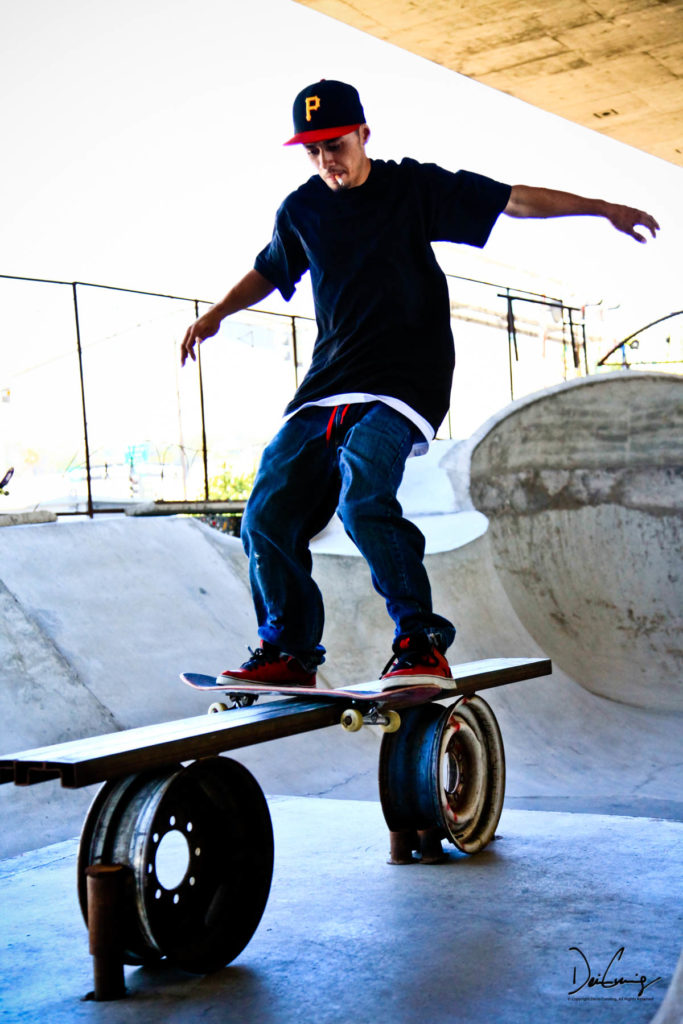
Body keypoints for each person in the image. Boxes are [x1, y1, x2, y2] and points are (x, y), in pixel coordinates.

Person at [180, 79, 659, 688]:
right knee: (266, 514)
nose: (327, 161)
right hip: (327, 386)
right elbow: (270, 269)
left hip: (404, 382)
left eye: (336, 145)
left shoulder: (411, 187)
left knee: (363, 497)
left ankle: (420, 640)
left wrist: (604, 208)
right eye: (314, 151)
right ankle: (289, 651)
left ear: (363, 134)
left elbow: (513, 200)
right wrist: (217, 314)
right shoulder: (301, 210)